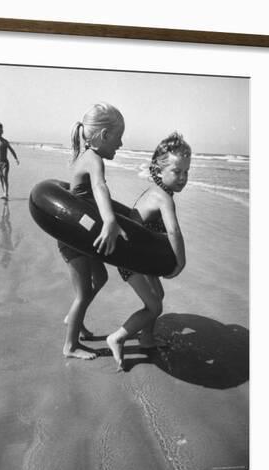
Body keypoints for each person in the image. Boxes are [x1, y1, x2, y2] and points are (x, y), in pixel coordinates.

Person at [106, 132, 191, 371]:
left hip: (141, 257)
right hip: (131, 259)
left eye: (186, 171)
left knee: (158, 295)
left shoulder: (157, 192)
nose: (183, 177)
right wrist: (180, 263)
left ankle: (146, 338)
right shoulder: (163, 197)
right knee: (155, 307)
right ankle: (118, 337)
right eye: (177, 171)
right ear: (158, 169)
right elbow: (174, 232)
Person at [60, 103, 128, 360]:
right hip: (72, 237)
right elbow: (99, 187)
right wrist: (110, 221)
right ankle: (70, 346)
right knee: (83, 292)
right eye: (119, 138)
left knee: (100, 278)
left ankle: (74, 320)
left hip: (82, 234)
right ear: (104, 135)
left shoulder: (85, 156)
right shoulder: (93, 159)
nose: (120, 145)